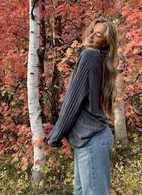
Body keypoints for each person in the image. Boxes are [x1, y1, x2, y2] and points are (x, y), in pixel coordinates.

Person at [47, 17, 118, 195]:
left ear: (105, 43)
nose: (92, 35)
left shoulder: (90, 56)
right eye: (93, 30)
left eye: (99, 35)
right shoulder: (95, 59)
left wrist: (56, 134)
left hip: (92, 140)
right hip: (88, 141)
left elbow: (73, 101)